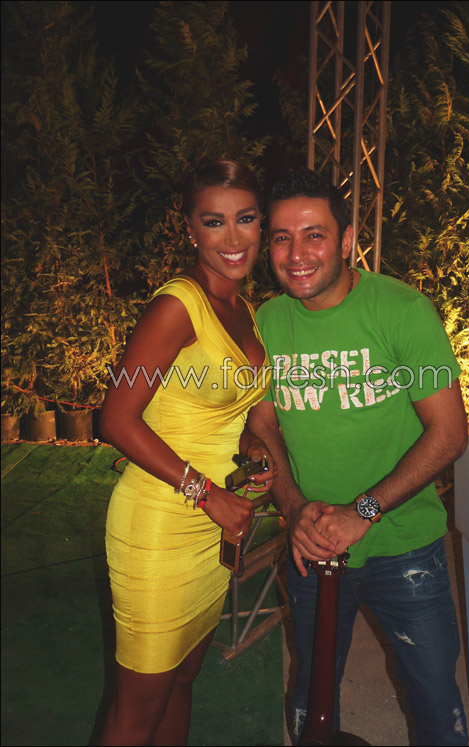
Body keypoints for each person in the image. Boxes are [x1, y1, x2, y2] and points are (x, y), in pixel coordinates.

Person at [247, 168, 469, 746]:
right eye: (281, 238)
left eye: (314, 235)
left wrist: (362, 511)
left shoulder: (402, 311)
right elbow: (261, 422)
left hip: (405, 545)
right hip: (311, 545)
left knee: (436, 703)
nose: (296, 254)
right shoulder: (266, 323)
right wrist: (295, 509)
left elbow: (449, 434)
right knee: (312, 695)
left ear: (346, 241)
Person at [98, 160, 275, 746]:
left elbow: (219, 410)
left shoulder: (243, 309)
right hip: (160, 526)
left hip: (212, 530)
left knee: (183, 680)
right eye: (214, 221)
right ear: (191, 229)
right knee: (135, 714)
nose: (233, 237)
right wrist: (207, 494)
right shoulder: (178, 305)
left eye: (245, 218)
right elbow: (116, 419)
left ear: (261, 223)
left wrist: (249, 442)